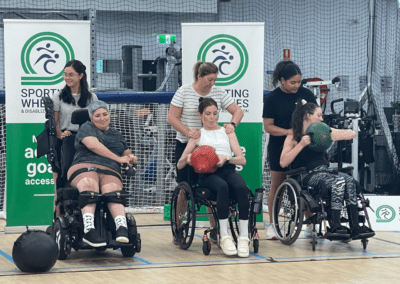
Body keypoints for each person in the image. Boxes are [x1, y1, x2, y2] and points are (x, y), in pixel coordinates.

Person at [168, 61, 243, 243]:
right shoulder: (184, 91)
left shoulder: (218, 92)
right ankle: (179, 227)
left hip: (209, 147)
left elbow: (238, 111)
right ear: (199, 77)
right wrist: (189, 132)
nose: (212, 83)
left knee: (211, 188)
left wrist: (231, 126)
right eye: (209, 79)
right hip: (188, 142)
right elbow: (171, 117)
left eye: (214, 79)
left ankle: (216, 228)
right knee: (184, 189)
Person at [280, 98, 375, 239]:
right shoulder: (293, 136)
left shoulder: (324, 132)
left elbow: (352, 134)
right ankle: (335, 225)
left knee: (349, 181)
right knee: (339, 182)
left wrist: (332, 134)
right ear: (308, 115)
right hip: (305, 175)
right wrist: (301, 144)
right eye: (319, 115)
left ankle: (355, 227)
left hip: (325, 171)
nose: (321, 118)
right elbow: (283, 162)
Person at [177, 97, 250, 257]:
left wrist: (227, 158)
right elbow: (180, 164)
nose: (212, 117)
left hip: (227, 169)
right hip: (207, 174)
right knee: (222, 187)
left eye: (215, 113)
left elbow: (242, 160)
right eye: (208, 114)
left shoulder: (228, 131)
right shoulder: (197, 135)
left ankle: (244, 237)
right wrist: (191, 158)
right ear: (200, 115)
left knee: (241, 187)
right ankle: (224, 236)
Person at [67, 100, 137, 247]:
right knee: (89, 184)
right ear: (91, 118)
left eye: (105, 114)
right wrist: (118, 158)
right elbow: (94, 145)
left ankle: (121, 228)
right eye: (97, 115)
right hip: (84, 165)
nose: (102, 118)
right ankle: (88, 230)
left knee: (112, 191)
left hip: (109, 169)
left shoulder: (117, 134)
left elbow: (126, 152)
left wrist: (130, 158)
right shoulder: (86, 128)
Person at [262, 60, 317, 239]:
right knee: (277, 185)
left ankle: (311, 224)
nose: (296, 86)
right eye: (292, 82)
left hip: (304, 146)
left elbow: (316, 117)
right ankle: (273, 225)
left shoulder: (306, 94)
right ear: (282, 80)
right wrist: (287, 132)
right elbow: (268, 126)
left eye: (298, 82)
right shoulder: (272, 98)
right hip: (279, 146)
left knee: (307, 184)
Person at [51, 59, 98, 218]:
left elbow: (97, 121)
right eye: (65, 74)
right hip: (65, 141)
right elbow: (54, 123)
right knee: (60, 182)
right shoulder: (58, 96)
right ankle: (58, 218)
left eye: (71, 74)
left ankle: (87, 214)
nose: (67, 77)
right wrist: (60, 134)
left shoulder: (92, 98)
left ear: (80, 76)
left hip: (87, 143)